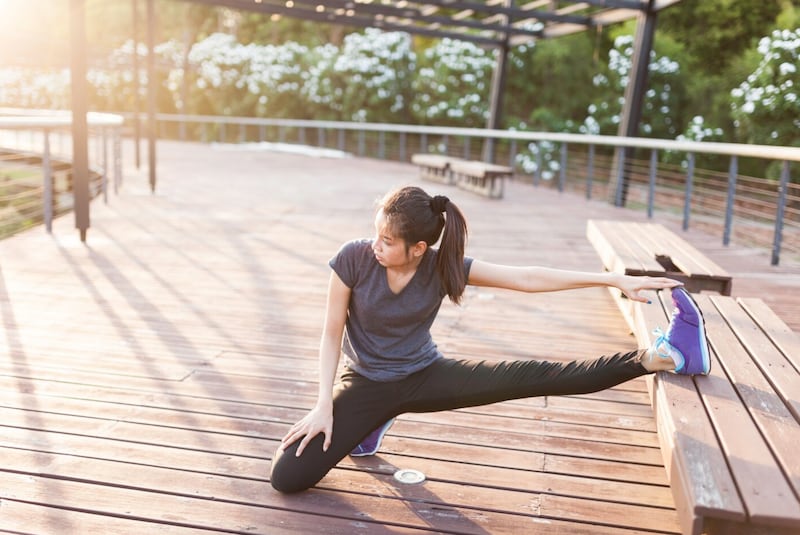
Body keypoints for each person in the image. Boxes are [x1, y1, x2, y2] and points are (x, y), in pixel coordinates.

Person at [270, 185, 710, 494]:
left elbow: (526, 277)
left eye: (388, 241)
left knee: (539, 376)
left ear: (419, 248)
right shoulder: (353, 258)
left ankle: (661, 356)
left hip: (424, 375)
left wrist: (612, 279)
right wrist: (323, 403)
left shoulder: (442, 265)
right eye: (376, 233)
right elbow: (330, 334)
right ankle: (369, 422)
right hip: (364, 382)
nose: (376, 246)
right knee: (286, 477)